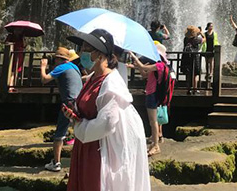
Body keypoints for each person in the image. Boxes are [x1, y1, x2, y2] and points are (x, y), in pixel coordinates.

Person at [63, 28, 150, 191]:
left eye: (87, 49)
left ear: (101, 54)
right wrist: (74, 115)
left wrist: (79, 126)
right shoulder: (92, 78)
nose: (82, 53)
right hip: (86, 144)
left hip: (100, 149)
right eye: (81, 48)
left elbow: (108, 122)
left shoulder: (112, 85)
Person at [40, 47, 83, 172]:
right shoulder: (75, 67)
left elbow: (44, 80)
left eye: (55, 59)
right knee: (80, 131)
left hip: (69, 103)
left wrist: (43, 66)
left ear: (59, 59)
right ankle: (80, 163)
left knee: (59, 134)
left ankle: (56, 163)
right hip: (79, 101)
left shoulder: (61, 67)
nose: (54, 62)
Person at [128, 49, 169, 156]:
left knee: (153, 121)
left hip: (153, 95)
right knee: (152, 121)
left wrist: (134, 57)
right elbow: (144, 74)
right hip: (150, 93)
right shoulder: (156, 67)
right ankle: (153, 143)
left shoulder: (160, 65)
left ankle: (156, 145)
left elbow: (143, 67)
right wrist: (136, 66)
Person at [182, 26, 203, 95]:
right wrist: (201, 33)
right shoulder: (196, 39)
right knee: (195, 74)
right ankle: (195, 88)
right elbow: (204, 40)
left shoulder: (185, 38)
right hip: (194, 57)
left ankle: (188, 89)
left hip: (186, 57)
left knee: (188, 73)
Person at [201, 22, 219, 87]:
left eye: (212, 26)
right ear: (208, 27)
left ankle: (211, 73)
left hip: (212, 48)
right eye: (210, 26)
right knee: (206, 62)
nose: (211, 27)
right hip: (206, 48)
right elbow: (203, 40)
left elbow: (216, 41)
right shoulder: (205, 34)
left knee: (211, 61)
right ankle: (207, 72)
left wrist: (217, 46)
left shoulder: (214, 34)